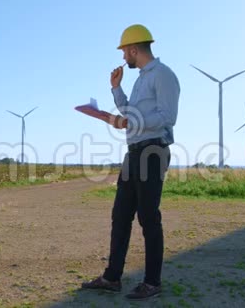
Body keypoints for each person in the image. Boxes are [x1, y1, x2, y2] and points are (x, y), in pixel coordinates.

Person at [81, 24, 180, 300]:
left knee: (149, 217)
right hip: (134, 152)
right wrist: (116, 89)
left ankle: (152, 282)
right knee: (120, 215)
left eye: (125, 51)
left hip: (153, 152)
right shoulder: (140, 80)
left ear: (134, 49)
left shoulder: (163, 75)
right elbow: (130, 113)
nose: (123, 57)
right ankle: (112, 278)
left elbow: (167, 117)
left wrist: (130, 121)